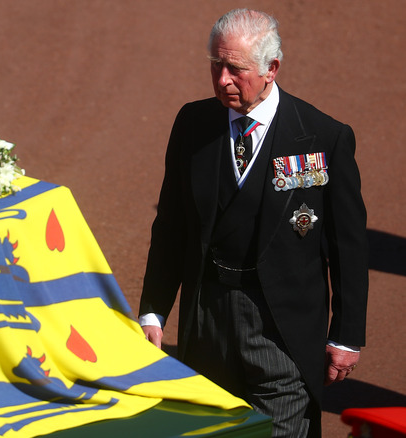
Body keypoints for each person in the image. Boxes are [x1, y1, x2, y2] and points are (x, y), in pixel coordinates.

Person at [138, 8, 368, 438]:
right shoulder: (193, 124)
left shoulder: (323, 137)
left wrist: (347, 335)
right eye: (216, 65)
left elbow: (348, 246)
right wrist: (153, 310)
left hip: (283, 330)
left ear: (271, 69)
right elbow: (172, 227)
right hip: (207, 323)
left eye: (235, 69)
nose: (222, 79)